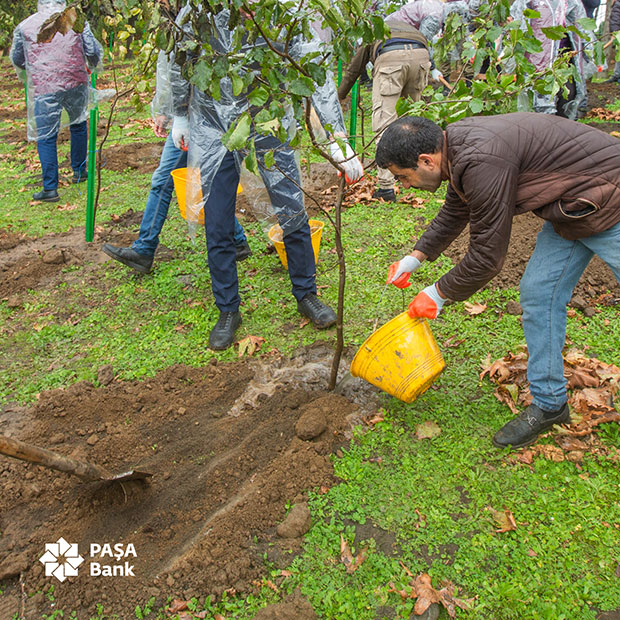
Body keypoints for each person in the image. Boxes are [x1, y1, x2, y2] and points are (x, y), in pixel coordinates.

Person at [376, 113, 620, 449]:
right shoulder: (456, 148)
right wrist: (416, 257)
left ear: (426, 160)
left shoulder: (481, 159)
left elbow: (487, 257)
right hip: (573, 209)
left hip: (611, 197)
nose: (404, 186)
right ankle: (550, 404)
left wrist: (438, 293)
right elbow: (457, 208)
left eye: (403, 177)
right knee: (539, 294)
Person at [169, 8, 364, 351]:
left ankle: (306, 294)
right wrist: (178, 113)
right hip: (214, 124)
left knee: (292, 207)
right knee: (217, 218)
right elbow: (179, 56)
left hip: (269, 117)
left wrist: (336, 136)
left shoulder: (281, 8)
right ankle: (228, 309)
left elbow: (311, 66)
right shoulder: (202, 7)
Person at [102, 53, 251, 274]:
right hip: (196, 113)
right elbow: (169, 69)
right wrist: (168, 112)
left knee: (179, 180)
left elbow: (178, 67)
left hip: (201, 115)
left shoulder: (188, 32)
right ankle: (237, 240)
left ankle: (144, 249)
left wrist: (178, 117)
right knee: (201, 180)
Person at [10, 0, 103, 202]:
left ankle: (50, 188)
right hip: (75, 80)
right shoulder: (75, 20)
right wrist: (91, 65)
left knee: (46, 135)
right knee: (78, 124)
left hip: (45, 85)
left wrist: (36, 66)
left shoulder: (26, 26)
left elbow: (17, 58)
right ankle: (80, 171)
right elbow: (92, 50)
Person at [338, 18, 431, 202]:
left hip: (391, 60)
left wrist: (339, 96)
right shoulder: (410, 28)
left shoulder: (373, 30)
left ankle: (386, 187)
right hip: (421, 57)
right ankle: (418, 175)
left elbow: (354, 70)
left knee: (385, 124)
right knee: (413, 122)